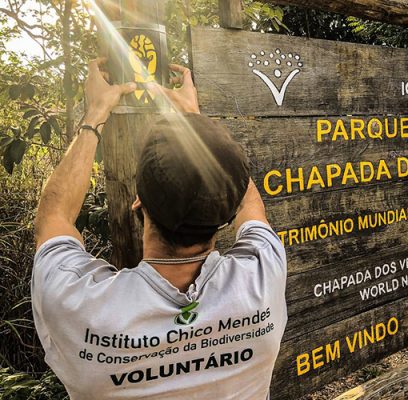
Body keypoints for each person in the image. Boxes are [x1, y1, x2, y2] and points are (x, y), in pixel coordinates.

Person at [31, 58, 287, 400]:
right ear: (225, 215)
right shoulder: (263, 277)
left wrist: (96, 113)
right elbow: (250, 204)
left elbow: (53, 216)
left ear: (138, 202)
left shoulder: (80, 307)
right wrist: (194, 121)